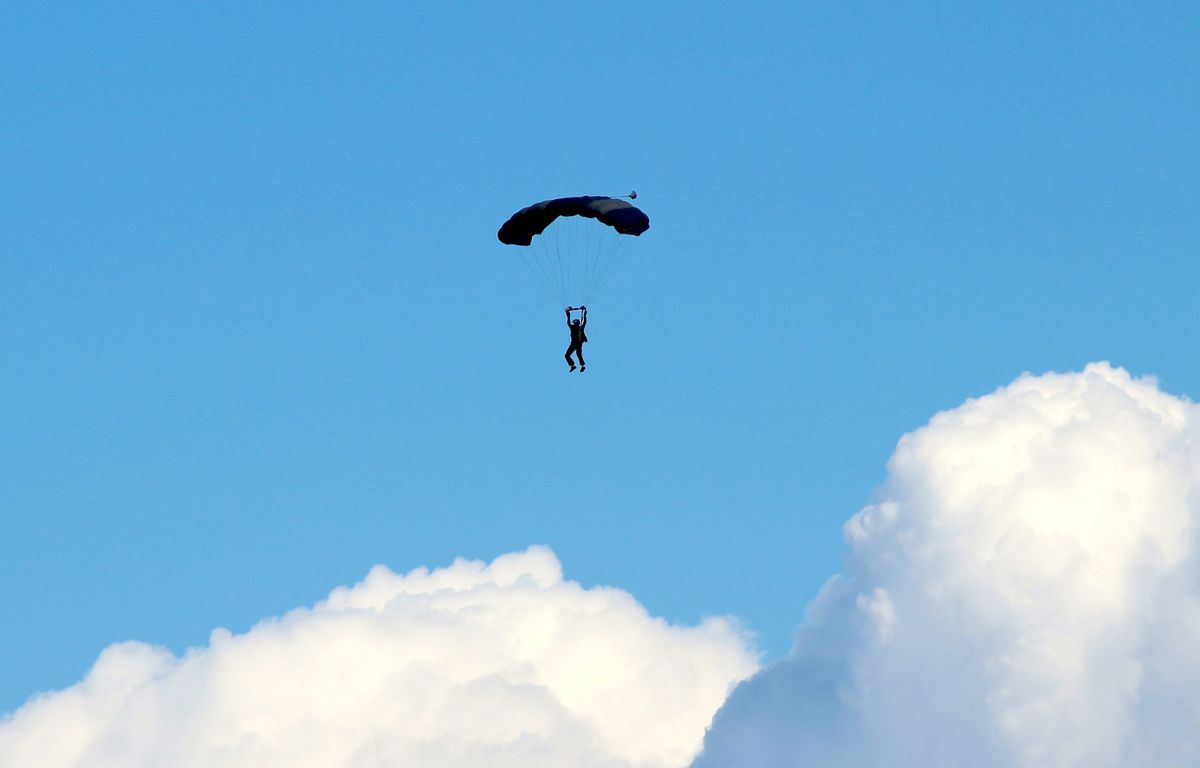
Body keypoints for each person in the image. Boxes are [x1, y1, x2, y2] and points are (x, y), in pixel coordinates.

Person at [564, 306, 588, 372]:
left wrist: (584, 314)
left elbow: (584, 322)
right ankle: (574, 365)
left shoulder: (579, 328)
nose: (575, 324)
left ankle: (581, 366)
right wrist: (568, 314)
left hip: (577, 343)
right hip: (574, 344)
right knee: (569, 355)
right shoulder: (576, 327)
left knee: (577, 354)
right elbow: (584, 322)